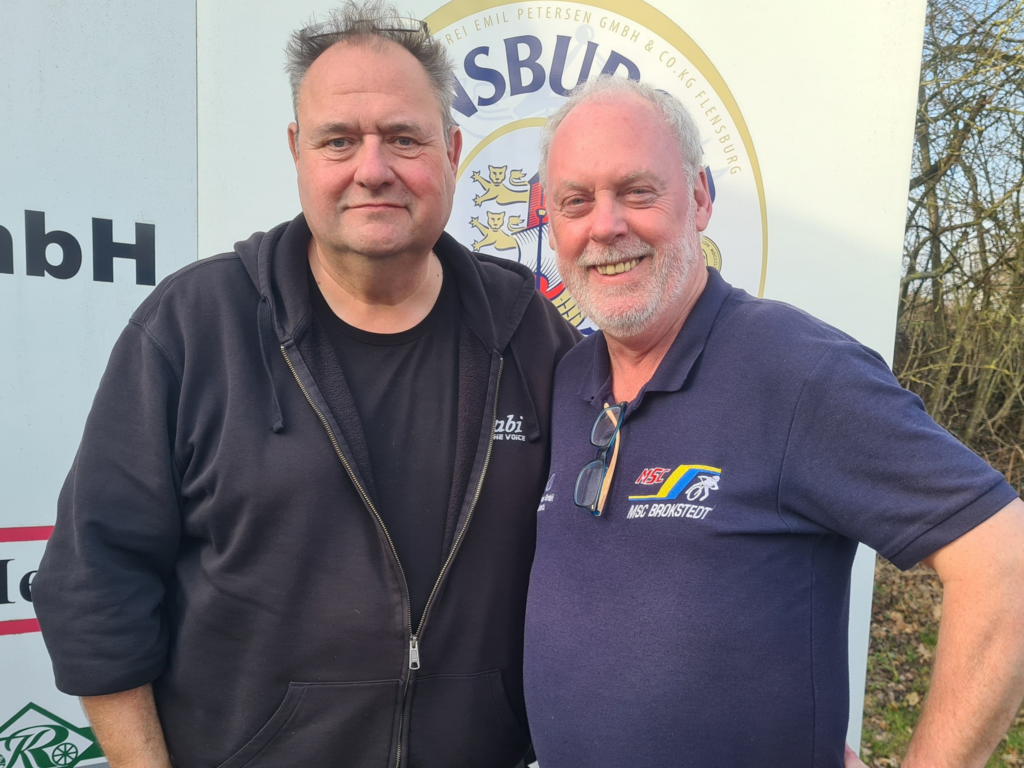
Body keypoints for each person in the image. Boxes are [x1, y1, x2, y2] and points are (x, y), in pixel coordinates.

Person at [32, 3, 577, 767]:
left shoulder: (531, 335)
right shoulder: (195, 327)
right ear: (297, 151)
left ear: (451, 150)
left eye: (404, 138)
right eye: (338, 140)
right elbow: (95, 580)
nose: (373, 169)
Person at [523, 75, 1024, 768]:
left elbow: (1003, 555)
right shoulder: (568, 376)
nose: (604, 226)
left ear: (700, 197)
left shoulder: (795, 370)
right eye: (576, 201)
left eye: (637, 191)